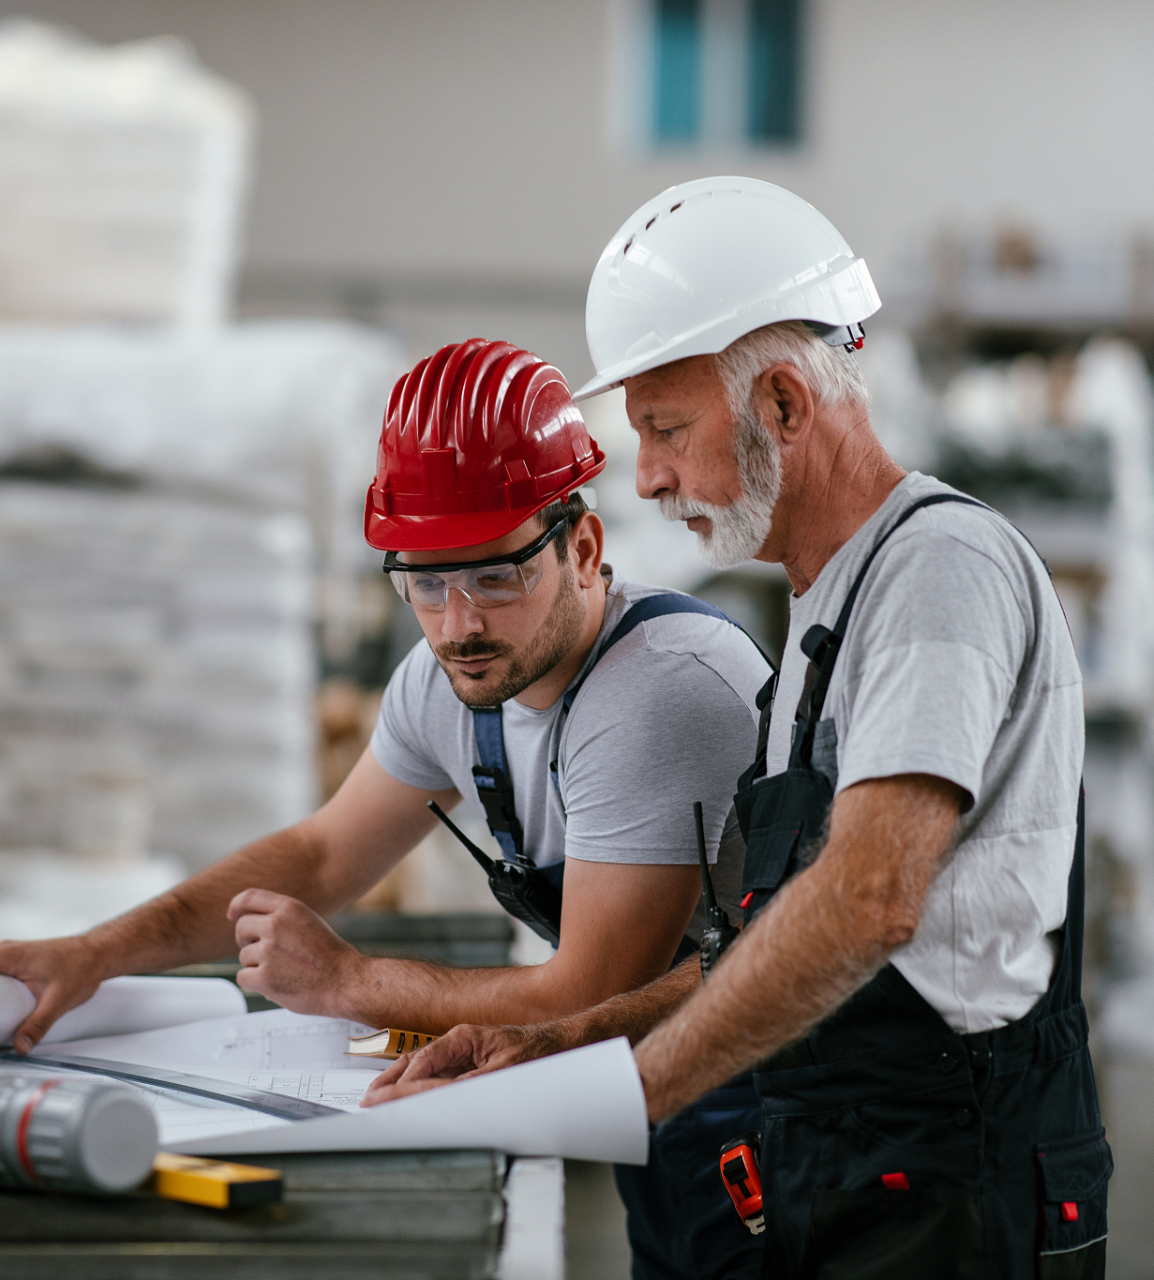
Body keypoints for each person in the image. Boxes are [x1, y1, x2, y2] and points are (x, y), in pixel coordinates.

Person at [368, 178, 1110, 1279]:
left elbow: (867, 899)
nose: (651, 476)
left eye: (666, 430)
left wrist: (627, 1091)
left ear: (783, 404)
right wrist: (559, 1041)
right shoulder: (825, 600)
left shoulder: (938, 571)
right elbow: (766, 943)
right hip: (848, 1157)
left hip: (955, 1189)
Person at [0, 338, 774, 1280]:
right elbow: (323, 854)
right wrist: (96, 952)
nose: (459, 623)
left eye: (497, 576)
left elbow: (586, 993)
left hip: (779, 1111)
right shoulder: (453, 677)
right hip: (662, 1100)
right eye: (426, 581)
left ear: (583, 548)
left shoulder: (660, 691)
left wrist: (348, 982)